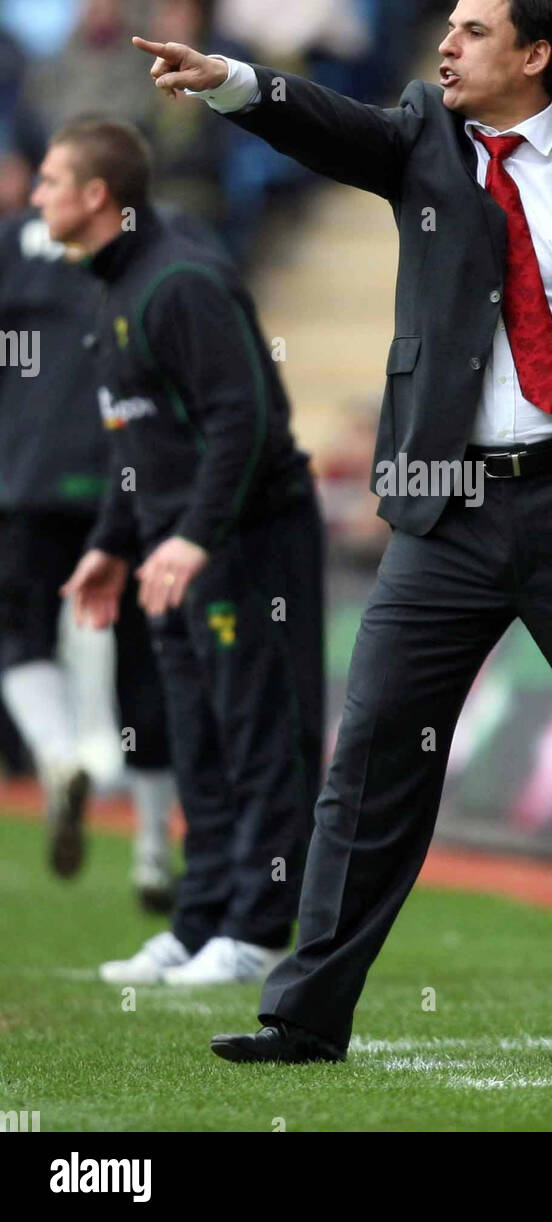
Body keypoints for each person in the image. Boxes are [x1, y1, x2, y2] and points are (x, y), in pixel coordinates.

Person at [134, 0, 552, 1060]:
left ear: (534, 56)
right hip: (448, 514)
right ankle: (303, 1018)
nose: (447, 47)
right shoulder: (420, 139)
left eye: (473, 31)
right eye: (446, 26)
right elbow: (328, 126)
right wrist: (232, 84)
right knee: (374, 761)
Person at [40, 116, 324, 986]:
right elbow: (141, 443)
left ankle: (261, 929)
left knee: (259, 736)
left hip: (248, 541)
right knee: (196, 737)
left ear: (96, 196)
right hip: (172, 549)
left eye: (51, 180)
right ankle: (201, 918)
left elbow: (246, 422)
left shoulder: (180, 282)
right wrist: (111, 546)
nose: (36, 194)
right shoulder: (112, 286)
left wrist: (196, 536)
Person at [0, 203, 175, 908]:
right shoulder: (160, 238)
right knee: (145, 660)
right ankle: (155, 854)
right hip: (126, 472)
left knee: (20, 635)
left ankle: (58, 753)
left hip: (26, 477)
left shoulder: (12, 242)